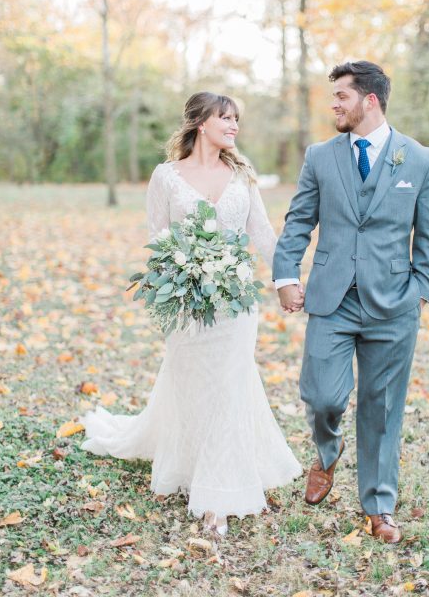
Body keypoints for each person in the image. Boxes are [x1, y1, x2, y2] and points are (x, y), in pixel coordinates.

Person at [81, 92, 301, 536]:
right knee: (193, 386)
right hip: (189, 305)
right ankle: (190, 459)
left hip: (236, 303)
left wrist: (287, 281)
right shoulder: (166, 177)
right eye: (225, 117)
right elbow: (157, 238)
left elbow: (261, 232)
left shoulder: (243, 174)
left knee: (229, 386)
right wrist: (184, 275)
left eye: (237, 118)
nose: (234, 125)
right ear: (201, 122)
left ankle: (216, 498)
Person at [273, 61, 429, 543]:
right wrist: (286, 276)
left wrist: (420, 291)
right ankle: (327, 451)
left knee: (382, 406)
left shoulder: (421, 160)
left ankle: (380, 505)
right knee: (322, 396)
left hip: (394, 304)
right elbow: (298, 222)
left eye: (341, 97)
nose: (334, 105)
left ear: (370, 100)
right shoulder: (320, 157)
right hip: (332, 299)